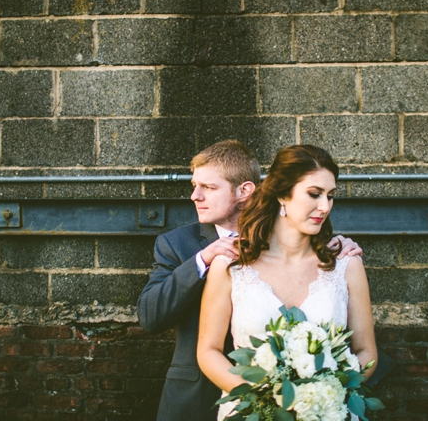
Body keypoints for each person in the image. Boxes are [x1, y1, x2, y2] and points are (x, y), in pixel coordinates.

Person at [138, 140, 363, 421]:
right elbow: (150, 317)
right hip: (196, 401)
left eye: (208, 187)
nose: (195, 196)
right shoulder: (178, 244)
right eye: (195, 186)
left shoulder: (307, 241)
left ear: (244, 190)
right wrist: (202, 261)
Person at [197, 145, 377, 420]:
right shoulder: (232, 265)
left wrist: (323, 396)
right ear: (282, 193)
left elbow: (365, 351)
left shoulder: (346, 265)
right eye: (314, 194)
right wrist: (267, 400)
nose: (325, 206)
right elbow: (208, 352)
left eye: (330, 196)